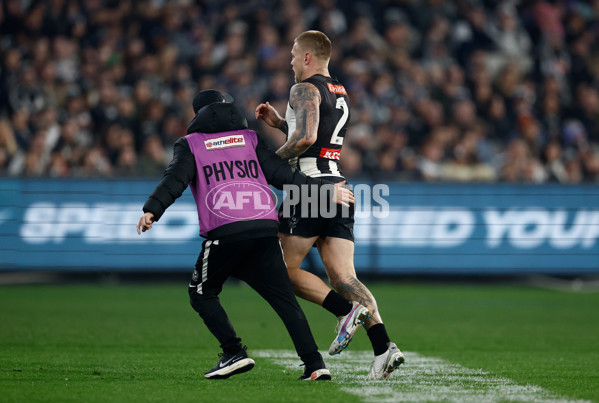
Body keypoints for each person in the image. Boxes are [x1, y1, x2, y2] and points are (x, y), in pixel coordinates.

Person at [137, 89, 354, 381]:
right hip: (264, 229)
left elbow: (174, 180)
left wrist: (152, 209)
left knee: (201, 293)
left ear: (198, 114)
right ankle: (316, 364)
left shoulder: (190, 144)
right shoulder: (249, 138)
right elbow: (280, 174)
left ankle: (233, 351)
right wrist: (323, 190)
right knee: (284, 300)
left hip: (225, 231)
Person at [255, 30, 404, 380]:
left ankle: (343, 312)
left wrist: (270, 163)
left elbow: (306, 138)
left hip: (309, 190)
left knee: (282, 270)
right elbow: (316, 136)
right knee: (344, 276)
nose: (290, 61)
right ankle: (384, 348)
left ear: (307, 57)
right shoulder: (339, 91)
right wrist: (280, 123)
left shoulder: (303, 88)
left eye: (293, 54)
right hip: (338, 188)